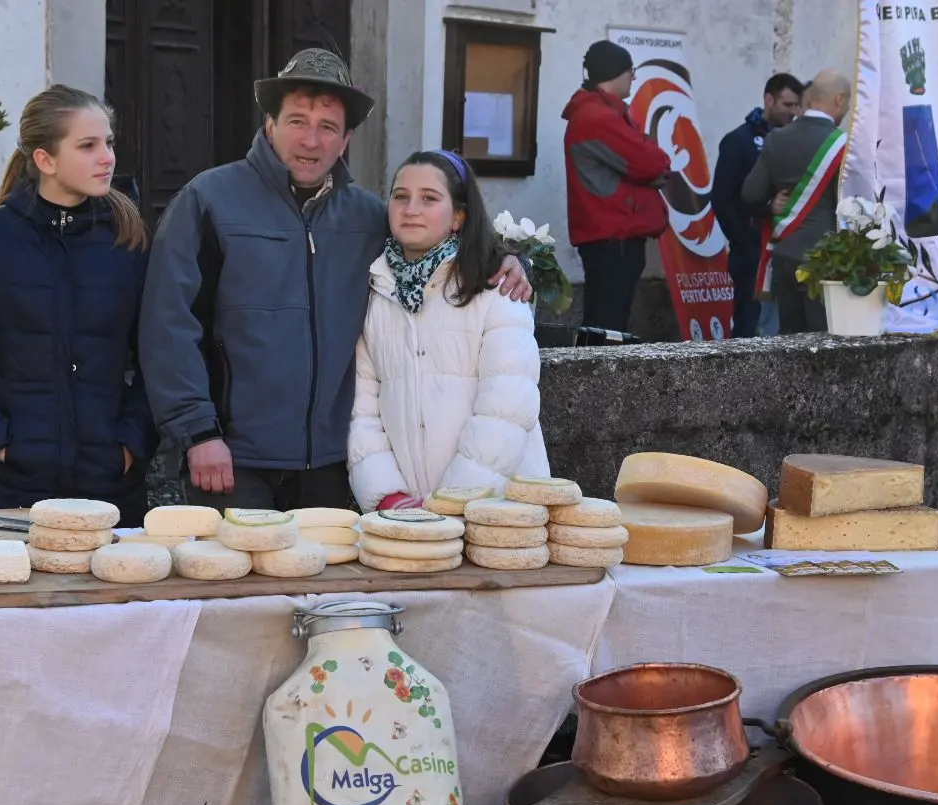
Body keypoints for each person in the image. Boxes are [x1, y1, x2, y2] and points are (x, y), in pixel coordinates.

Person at [136, 49, 528, 513]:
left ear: (345, 141)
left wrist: (501, 259)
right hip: (232, 458)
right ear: (270, 124)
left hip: (330, 464)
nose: (311, 140)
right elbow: (168, 325)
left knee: (326, 587)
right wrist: (197, 432)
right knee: (234, 582)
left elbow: (431, 239)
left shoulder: (368, 216)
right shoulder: (208, 201)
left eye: (328, 128)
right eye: (298, 121)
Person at [0, 85, 156, 525]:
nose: (108, 157)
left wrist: (130, 443)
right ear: (45, 160)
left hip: (111, 493)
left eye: (109, 143)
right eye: (88, 145)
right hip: (10, 490)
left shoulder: (128, 240)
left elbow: (159, 356)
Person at [347, 151, 548, 512]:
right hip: (407, 515)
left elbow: (505, 409)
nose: (411, 209)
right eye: (400, 196)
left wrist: (452, 503)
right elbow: (362, 409)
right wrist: (389, 497)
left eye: (429, 198)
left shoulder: (497, 289)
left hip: (498, 510)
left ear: (458, 216)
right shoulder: (376, 292)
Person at [561, 40, 673, 334]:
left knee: (607, 319)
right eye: (630, 71)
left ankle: (596, 375)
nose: (634, 77)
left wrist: (651, 165)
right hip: (613, 237)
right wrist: (653, 167)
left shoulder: (602, 113)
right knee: (607, 323)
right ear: (616, 73)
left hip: (613, 236)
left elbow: (647, 159)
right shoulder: (598, 117)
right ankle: (596, 379)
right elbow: (653, 163)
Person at [741, 70, 852, 335]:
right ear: (838, 99)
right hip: (826, 260)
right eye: (847, 104)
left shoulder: (776, 138)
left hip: (784, 255)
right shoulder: (843, 145)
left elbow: (750, 193)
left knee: (788, 343)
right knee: (822, 342)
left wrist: (772, 205)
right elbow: (851, 205)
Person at [709, 73, 805, 338]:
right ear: (769, 100)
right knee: (750, 326)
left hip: (788, 252)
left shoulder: (795, 142)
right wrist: (745, 241)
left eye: (797, 105)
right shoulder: (737, 141)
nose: (794, 112)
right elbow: (722, 198)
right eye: (787, 105)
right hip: (753, 254)